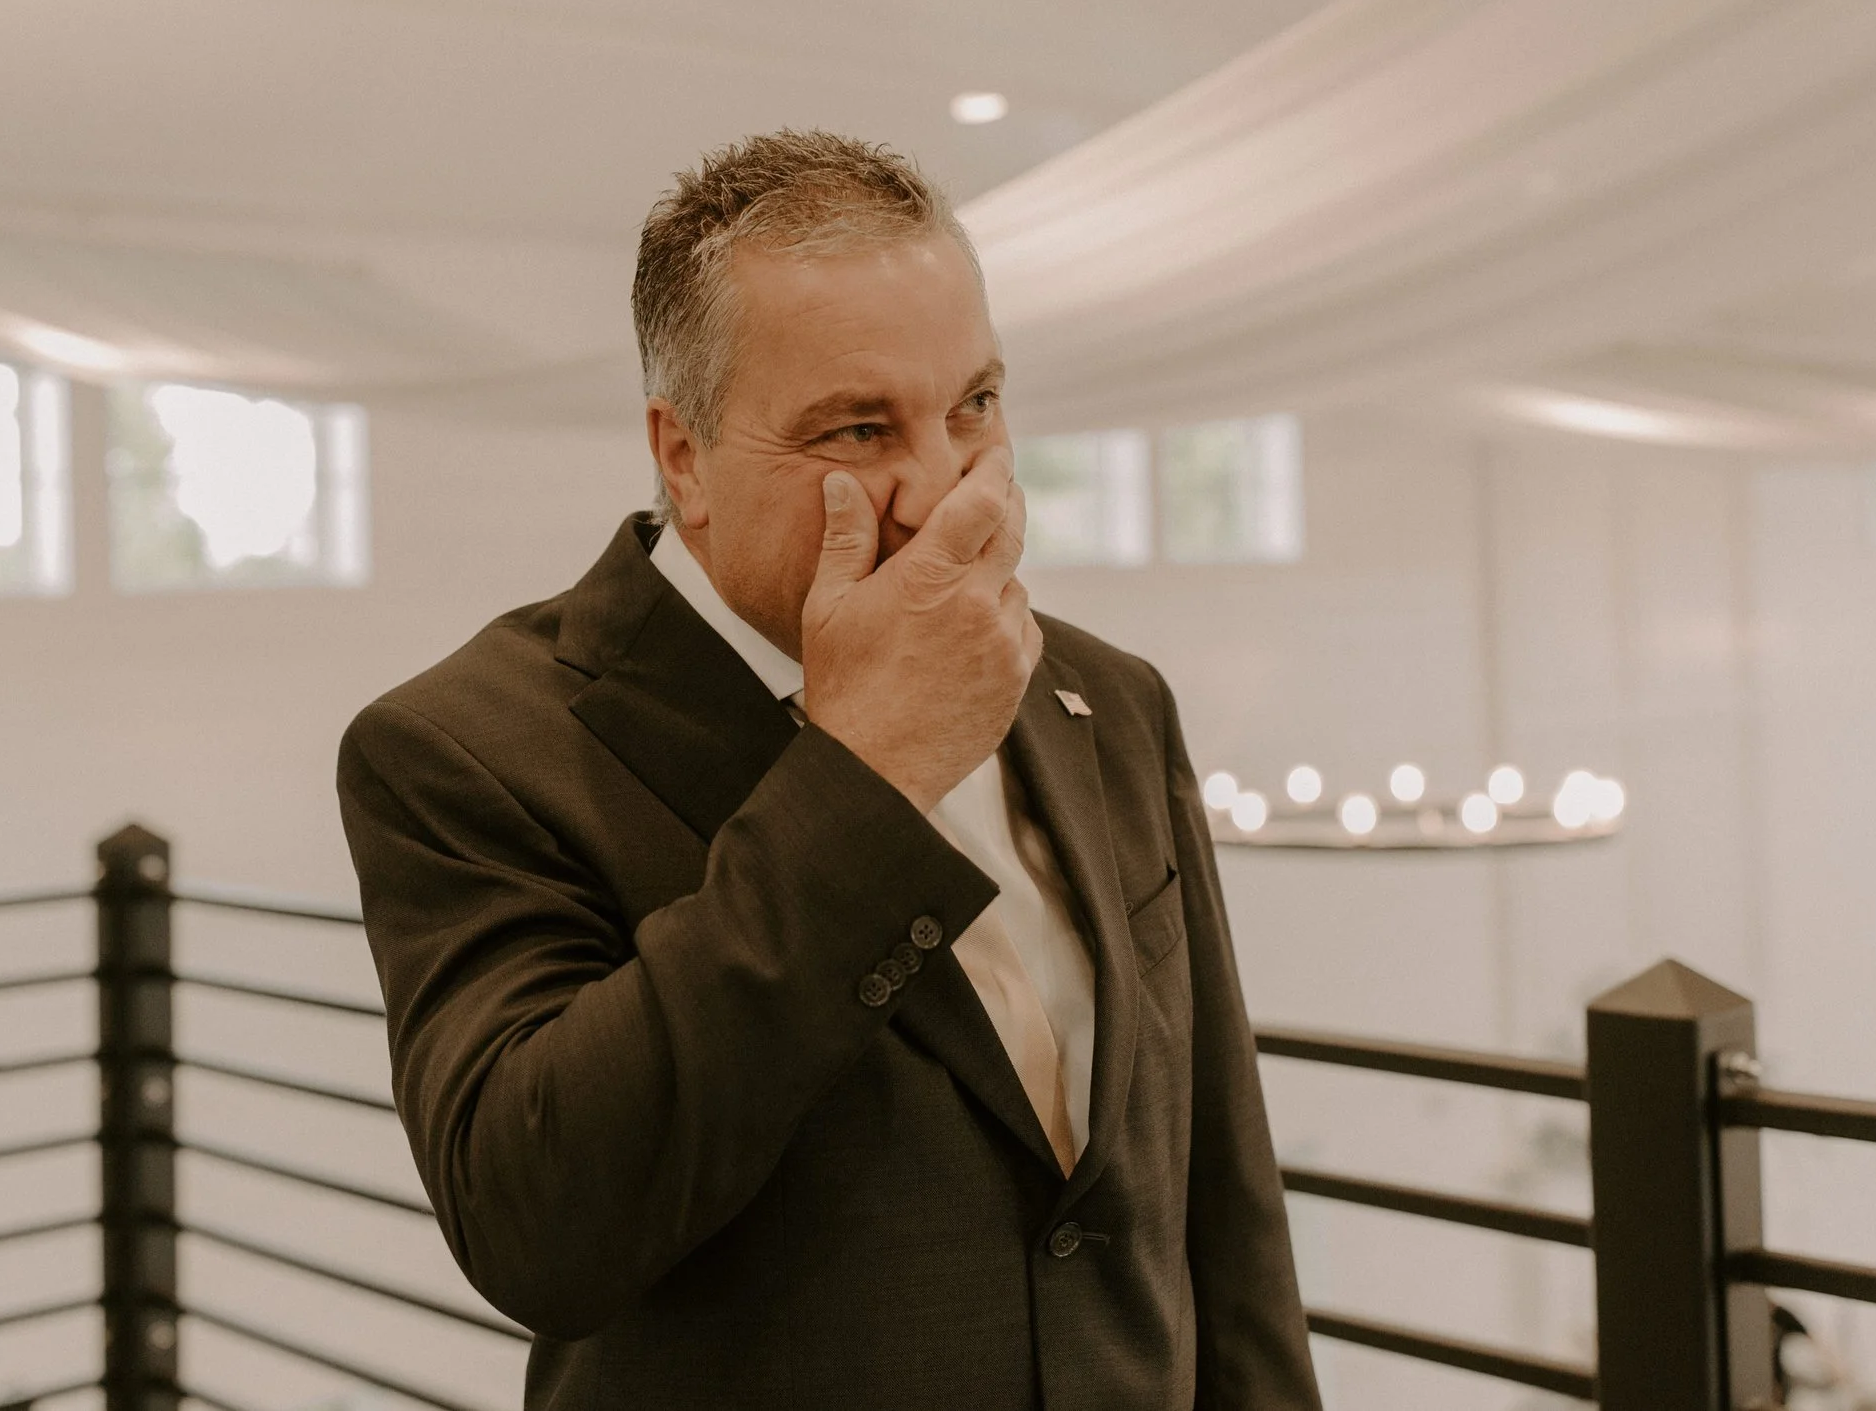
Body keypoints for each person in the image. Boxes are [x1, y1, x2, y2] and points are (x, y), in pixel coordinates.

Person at [338, 130, 1323, 1409]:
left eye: (972, 405)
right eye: (858, 429)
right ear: (683, 455)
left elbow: (1224, 1214)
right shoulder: (467, 747)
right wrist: (865, 771)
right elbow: (539, 1227)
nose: (942, 488)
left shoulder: (1107, 696)